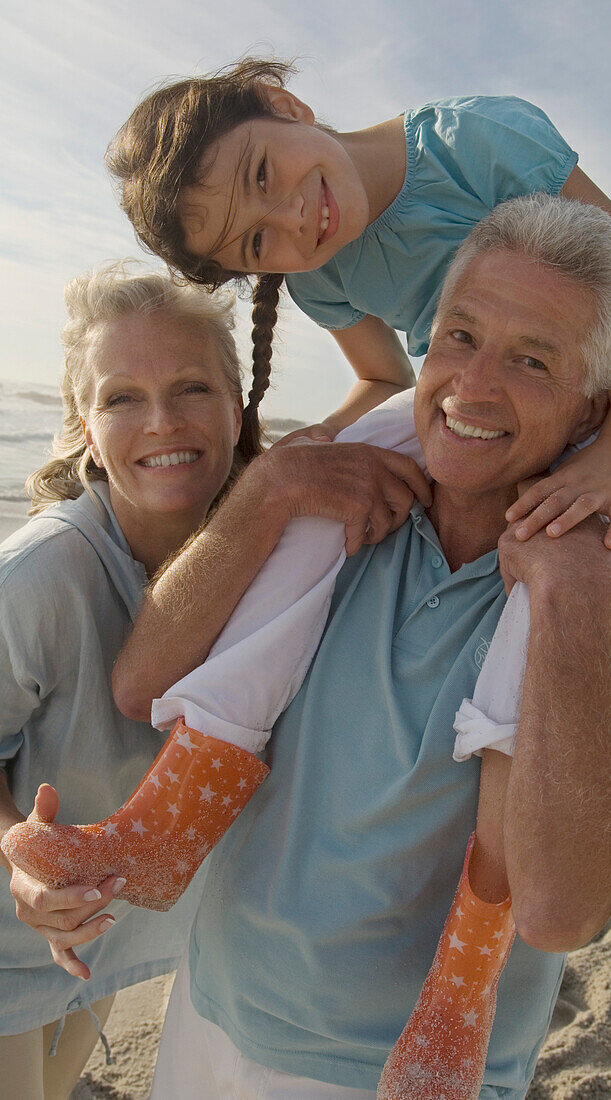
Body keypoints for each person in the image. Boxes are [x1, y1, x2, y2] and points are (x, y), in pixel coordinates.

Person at [133, 196, 611, 1099]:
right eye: (459, 337)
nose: (472, 387)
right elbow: (142, 684)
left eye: (531, 360)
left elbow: (562, 910)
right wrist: (265, 489)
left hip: (398, 1078)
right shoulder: (333, 505)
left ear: (595, 406)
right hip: (209, 1011)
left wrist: (570, 598)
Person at [0, 262, 428, 1098]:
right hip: (10, 946)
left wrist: (315, 249)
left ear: (239, 406)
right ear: (87, 427)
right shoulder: (43, 577)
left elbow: (390, 380)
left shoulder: (272, 529)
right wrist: (17, 851)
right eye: (122, 397)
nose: (162, 421)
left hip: (112, 949)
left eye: (192, 387)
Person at [107, 55, 611, 549]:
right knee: (314, 509)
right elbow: (385, 380)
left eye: (262, 174)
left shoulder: (470, 143)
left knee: (579, 540)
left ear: (282, 104)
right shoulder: (317, 275)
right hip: (470, 395)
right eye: (258, 242)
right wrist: (326, 432)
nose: (292, 219)